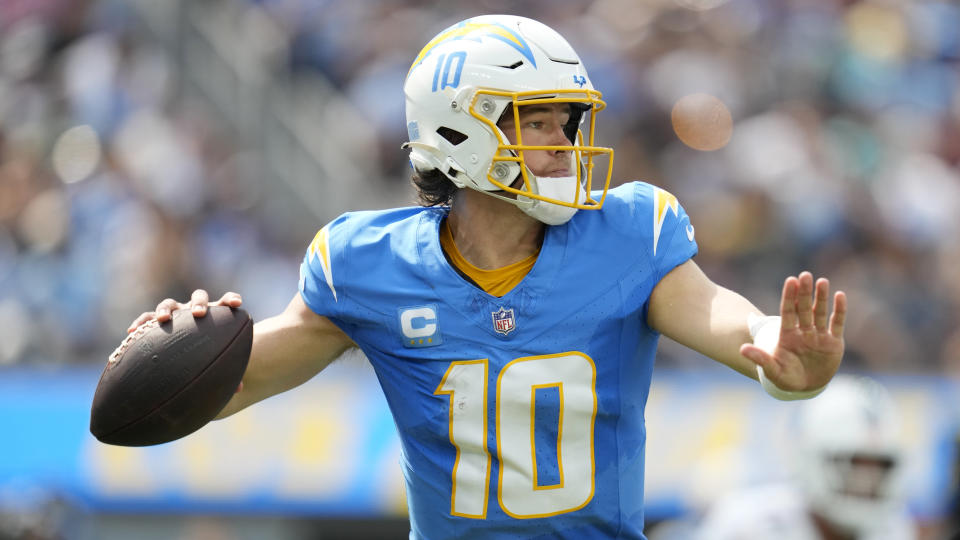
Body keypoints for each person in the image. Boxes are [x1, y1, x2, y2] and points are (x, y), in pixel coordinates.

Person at [126, 15, 847, 539]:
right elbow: (234, 383)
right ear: (461, 129)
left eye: (569, 123)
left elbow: (720, 315)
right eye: (540, 123)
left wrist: (778, 349)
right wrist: (176, 350)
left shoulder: (629, 234)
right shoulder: (368, 264)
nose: (565, 146)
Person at [694, 375, 915, 540]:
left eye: (879, 467)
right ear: (811, 459)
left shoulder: (893, 530)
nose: (867, 480)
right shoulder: (748, 525)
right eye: (853, 464)